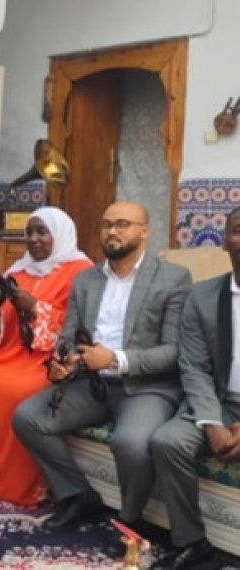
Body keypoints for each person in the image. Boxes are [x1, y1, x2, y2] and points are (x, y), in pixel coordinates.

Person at [12, 202, 191, 557]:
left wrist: (117, 359)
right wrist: (62, 362)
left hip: (147, 388)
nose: (112, 232)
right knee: (27, 416)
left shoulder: (172, 278)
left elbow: (174, 351)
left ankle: (129, 521)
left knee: (129, 441)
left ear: (144, 231)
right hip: (92, 383)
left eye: (123, 224)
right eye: (106, 224)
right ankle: (80, 497)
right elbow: (67, 337)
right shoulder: (86, 279)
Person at [0, 207, 92, 505]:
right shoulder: (16, 271)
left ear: (60, 234)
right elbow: (2, 329)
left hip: (49, 359)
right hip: (9, 354)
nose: (34, 239)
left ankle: (22, 484)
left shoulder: (81, 271)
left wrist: (35, 308)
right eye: (29, 232)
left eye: (42, 232)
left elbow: (79, 326)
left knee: (17, 391)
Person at [149, 206, 240, 570]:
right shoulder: (202, 297)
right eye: (239, 229)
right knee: (167, 441)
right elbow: (194, 366)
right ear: (224, 241)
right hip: (219, 403)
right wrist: (210, 421)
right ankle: (192, 542)